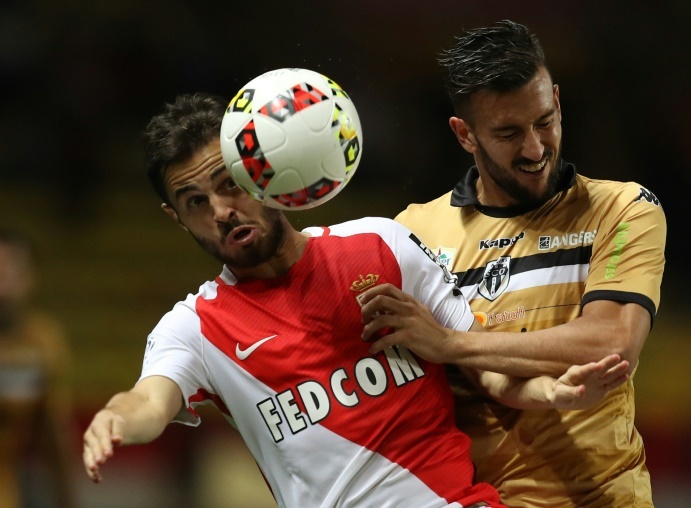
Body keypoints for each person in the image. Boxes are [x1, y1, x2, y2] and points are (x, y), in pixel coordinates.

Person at [81, 93, 630, 507]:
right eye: (195, 202)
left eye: (229, 184)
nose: (221, 211)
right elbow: (149, 401)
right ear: (176, 218)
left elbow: (486, 370)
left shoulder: (382, 245)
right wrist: (114, 417)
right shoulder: (195, 329)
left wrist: (551, 392)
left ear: (260, 171)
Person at [357, 19, 667, 507]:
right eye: (508, 133)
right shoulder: (413, 232)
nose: (535, 148)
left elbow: (612, 342)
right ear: (465, 134)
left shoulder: (623, 209)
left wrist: (451, 343)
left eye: (544, 121)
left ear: (557, 101)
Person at [0, 229, 75, 508]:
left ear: (30, 277)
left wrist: (66, 499)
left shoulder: (43, 340)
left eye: (12, 270)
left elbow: (55, 431)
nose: (4, 282)